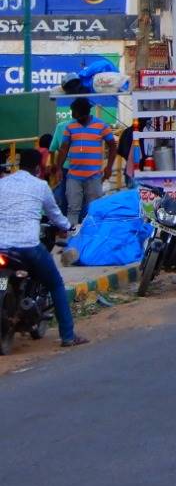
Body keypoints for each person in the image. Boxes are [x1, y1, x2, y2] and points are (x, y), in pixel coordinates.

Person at [0, 149, 88, 347]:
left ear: (19, 165)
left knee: (1, 280)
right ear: (38, 168)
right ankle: (68, 336)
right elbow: (55, 215)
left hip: (2, 247)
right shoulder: (41, 186)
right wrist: (68, 226)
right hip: (28, 247)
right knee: (55, 284)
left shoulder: (2, 183)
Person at [55, 98, 117, 227]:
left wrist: (109, 167)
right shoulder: (70, 127)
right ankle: (72, 235)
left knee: (94, 209)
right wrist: (59, 168)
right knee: (73, 208)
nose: (72, 115)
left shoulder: (101, 125)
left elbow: (112, 145)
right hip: (73, 176)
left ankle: (92, 234)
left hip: (94, 176)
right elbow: (63, 149)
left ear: (83, 112)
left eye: (74, 112)